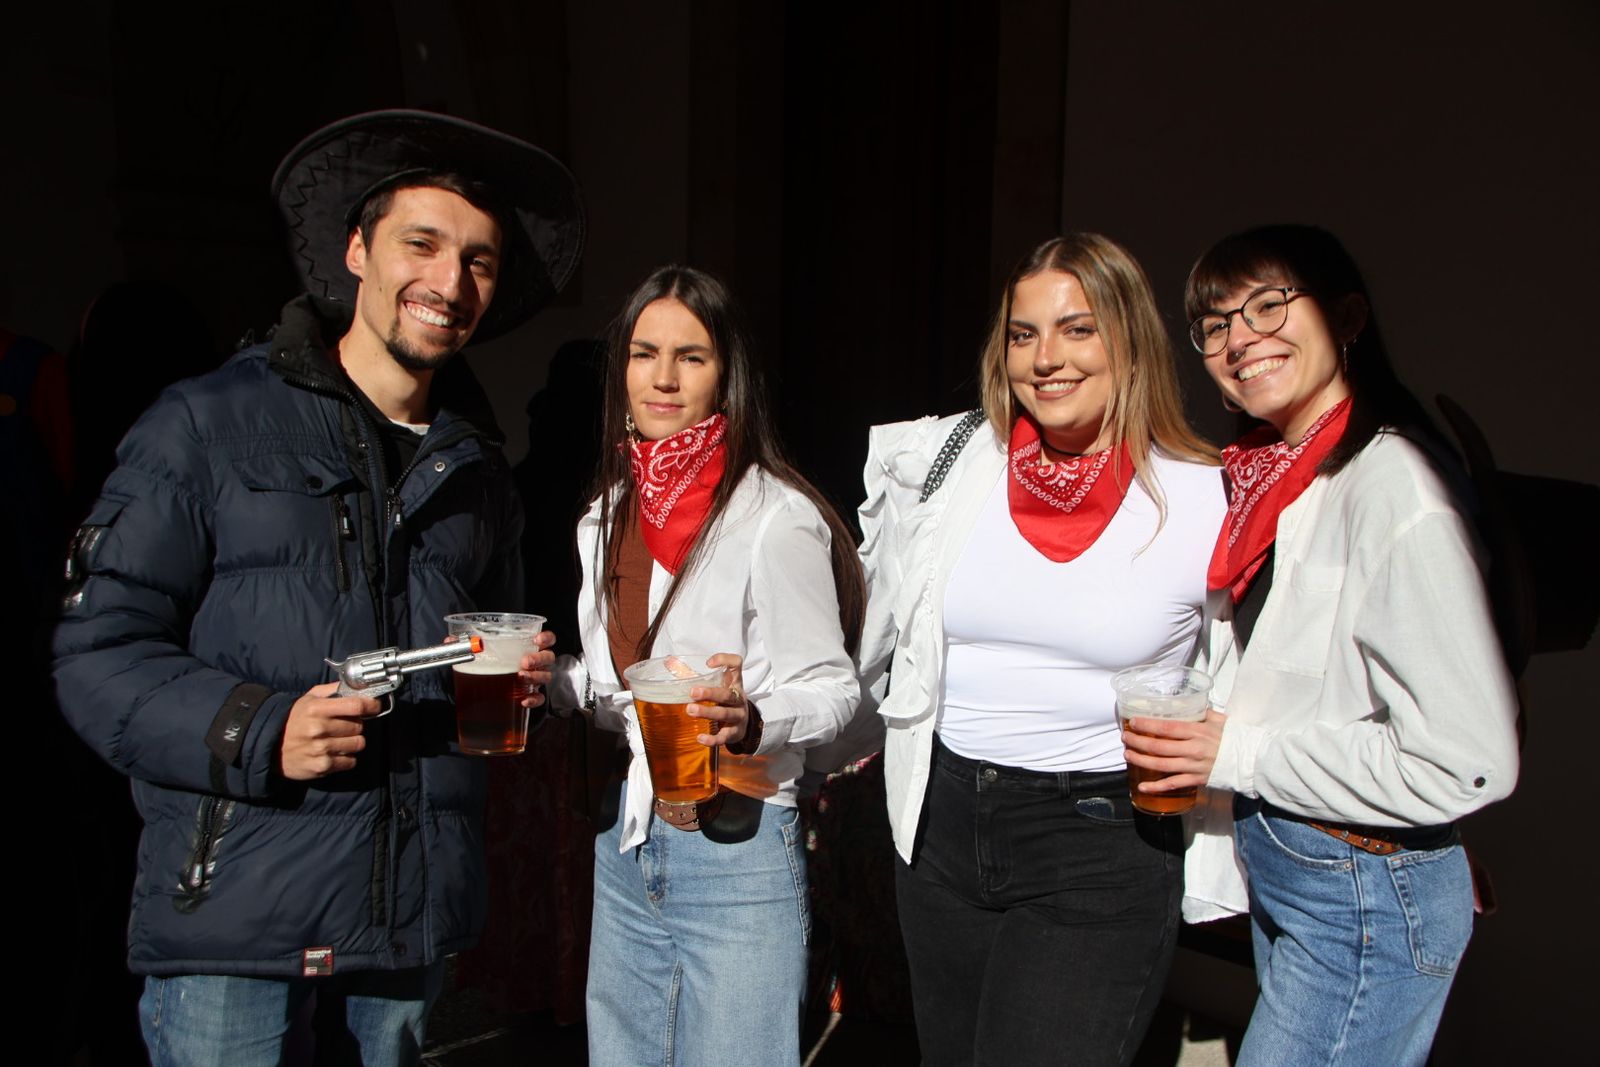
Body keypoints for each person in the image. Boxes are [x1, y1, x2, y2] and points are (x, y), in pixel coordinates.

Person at [52, 109, 584, 1066]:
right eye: (420, 244)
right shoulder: (206, 424)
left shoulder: (479, 470)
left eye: (479, 261)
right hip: (238, 928)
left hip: (404, 931)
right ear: (355, 250)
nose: (448, 282)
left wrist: (527, 692)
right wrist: (257, 727)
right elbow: (96, 653)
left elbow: (485, 656)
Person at [1124, 223, 1520, 1065]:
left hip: (1362, 886)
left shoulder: (1394, 487)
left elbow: (1470, 758)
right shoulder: (1282, 479)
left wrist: (1239, 752)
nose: (1241, 340)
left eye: (1269, 305)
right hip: (1322, 869)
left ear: (1347, 317)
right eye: (1218, 324)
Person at [856, 233, 1225, 1066]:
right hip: (941, 823)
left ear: (1128, 338)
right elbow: (878, 625)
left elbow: (1276, 666)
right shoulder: (954, 470)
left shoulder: (1204, 497)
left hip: (1099, 838)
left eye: (1077, 329)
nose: (1045, 358)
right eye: (1024, 334)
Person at [546, 265, 864, 1067]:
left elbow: (835, 690)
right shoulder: (605, 515)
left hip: (740, 848)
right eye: (643, 352)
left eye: (690, 356)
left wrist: (754, 718)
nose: (661, 376)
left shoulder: (773, 517)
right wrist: (547, 681)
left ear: (727, 375)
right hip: (630, 840)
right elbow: (620, 691)